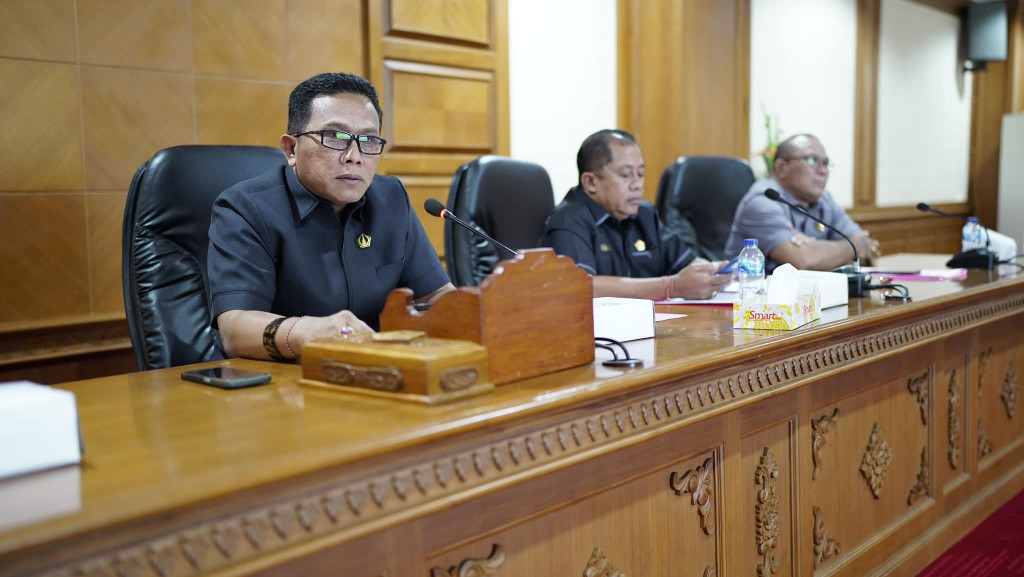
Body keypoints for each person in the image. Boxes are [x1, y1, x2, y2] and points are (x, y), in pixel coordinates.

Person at [208, 73, 454, 361]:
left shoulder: (391, 199)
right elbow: (234, 329)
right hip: (282, 384)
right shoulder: (245, 209)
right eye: (334, 137)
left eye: (369, 140)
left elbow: (438, 297)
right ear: (290, 149)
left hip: (376, 375)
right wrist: (305, 332)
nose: (355, 156)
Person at [543, 129, 732, 300]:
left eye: (640, 174)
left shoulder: (645, 214)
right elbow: (581, 286)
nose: (637, 184)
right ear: (591, 182)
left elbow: (685, 263)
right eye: (625, 175)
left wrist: (710, 272)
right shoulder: (568, 221)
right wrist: (670, 287)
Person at [725, 134, 880, 272]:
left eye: (825, 163)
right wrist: (855, 247)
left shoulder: (824, 200)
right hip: (753, 299)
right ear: (781, 168)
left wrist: (817, 249)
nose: (823, 171)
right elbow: (803, 261)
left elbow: (869, 247)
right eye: (812, 160)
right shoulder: (762, 201)